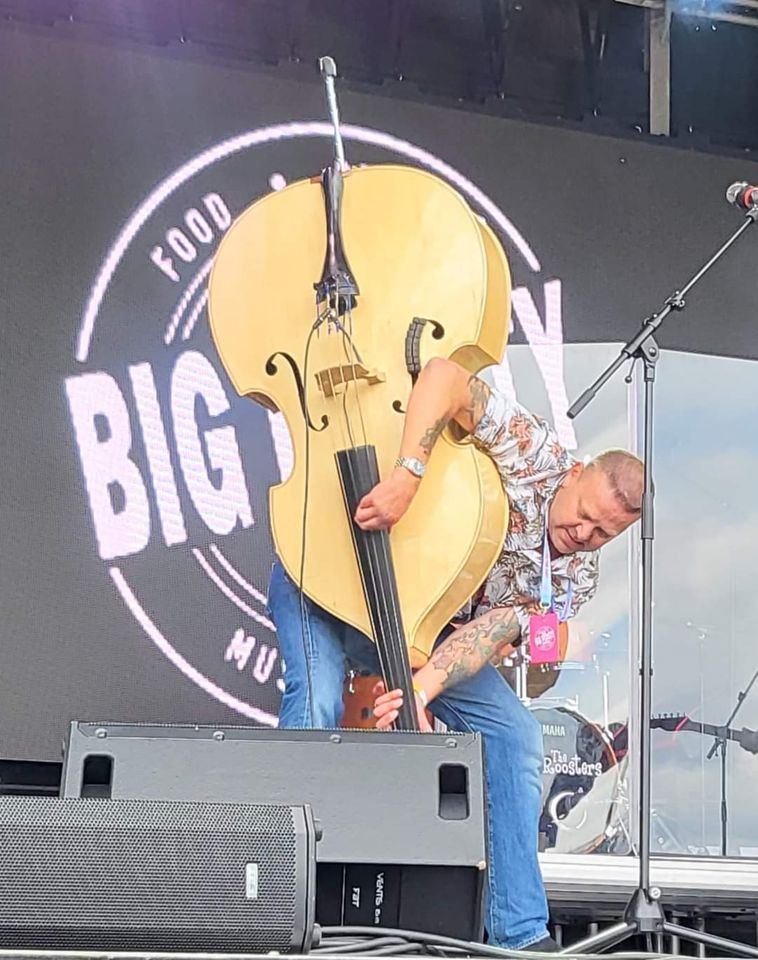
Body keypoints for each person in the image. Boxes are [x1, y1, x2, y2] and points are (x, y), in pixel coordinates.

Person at [267, 356, 643, 951]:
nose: (585, 536)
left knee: (515, 735)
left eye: (604, 535)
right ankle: (277, 902)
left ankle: (520, 934)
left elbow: (492, 633)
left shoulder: (577, 577)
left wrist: (420, 688)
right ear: (572, 475)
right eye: (584, 517)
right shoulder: (533, 449)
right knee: (312, 700)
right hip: (331, 573)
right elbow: (442, 373)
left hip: (425, 630)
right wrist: (407, 475)